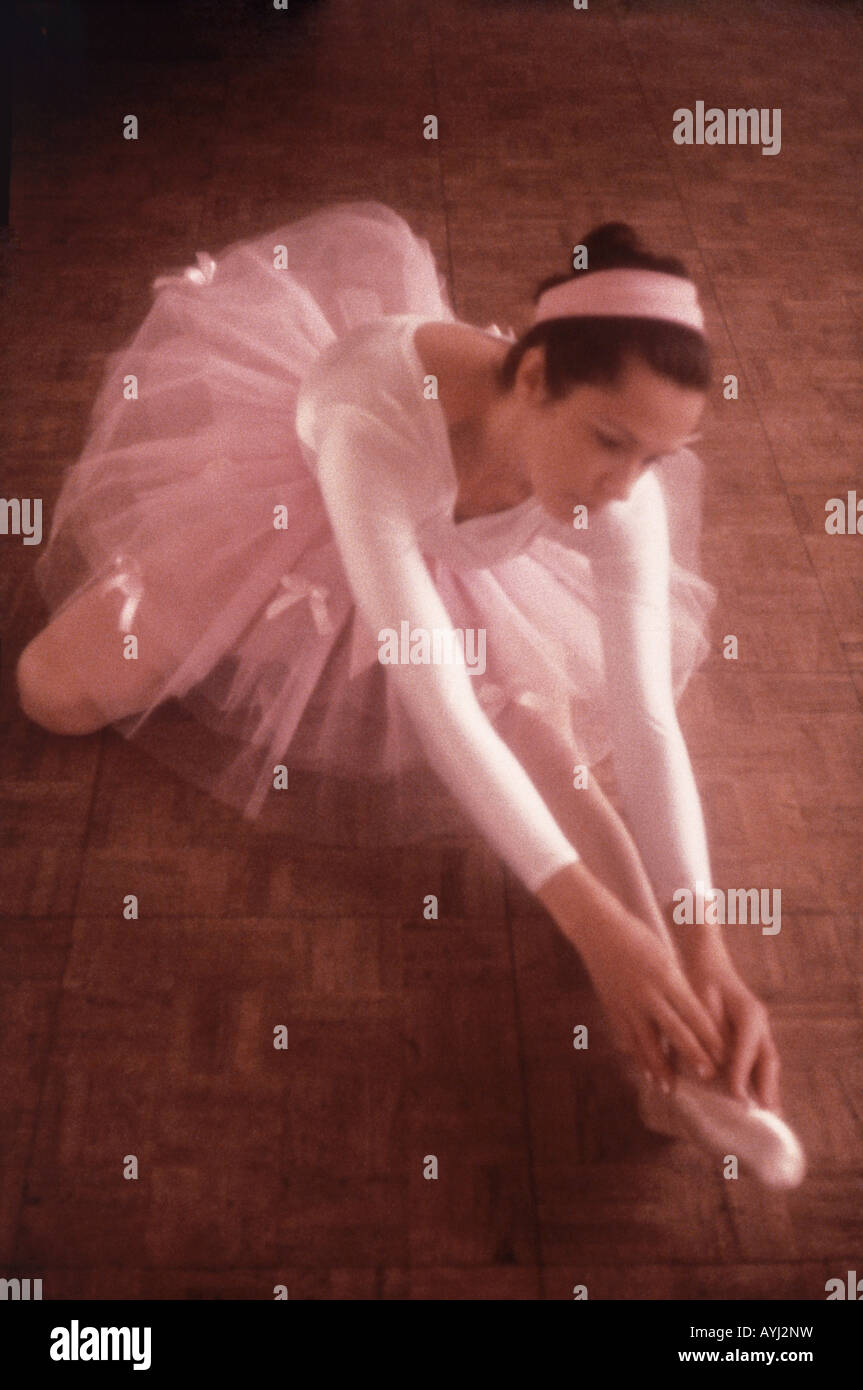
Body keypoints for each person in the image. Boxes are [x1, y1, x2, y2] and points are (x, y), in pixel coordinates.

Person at [16, 201, 805, 1187]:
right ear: (529, 375)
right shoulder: (371, 422)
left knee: (547, 751)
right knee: (51, 690)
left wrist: (704, 943)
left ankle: (683, 1073)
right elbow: (438, 711)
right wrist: (590, 932)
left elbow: (646, 721)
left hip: (458, 567)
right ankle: (237, 630)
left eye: (653, 456)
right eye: (609, 440)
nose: (623, 486)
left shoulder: (612, 488)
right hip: (295, 520)